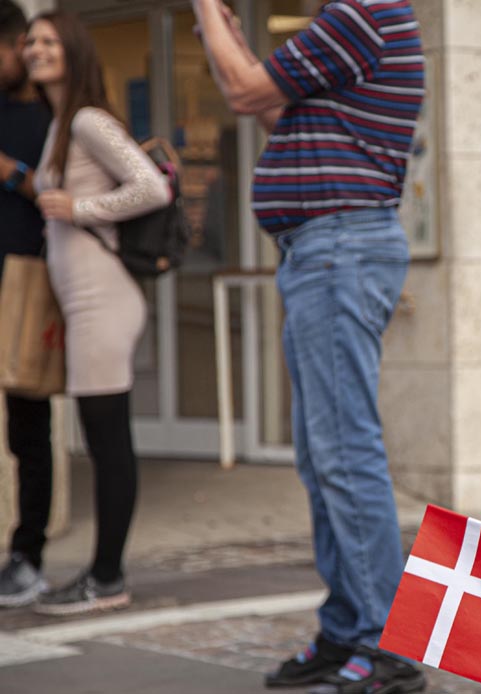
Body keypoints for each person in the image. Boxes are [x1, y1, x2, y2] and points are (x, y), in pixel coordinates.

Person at [190, 0, 425, 691]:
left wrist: (205, 9)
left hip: (339, 247)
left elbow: (242, 90)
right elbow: (268, 108)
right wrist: (227, 37)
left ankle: (387, 647)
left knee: (344, 451)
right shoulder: (351, 26)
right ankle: (349, 629)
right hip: (322, 250)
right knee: (324, 454)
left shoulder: (364, 12)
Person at [19, 11, 170, 615]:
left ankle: (107, 577)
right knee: (104, 433)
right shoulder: (61, 123)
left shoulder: (85, 119)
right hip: (83, 300)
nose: (35, 48)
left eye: (49, 40)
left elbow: (152, 186)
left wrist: (80, 206)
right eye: (31, 40)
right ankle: (104, 574)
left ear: (74, 50)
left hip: (103, 298)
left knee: (109, 437)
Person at [0, 0, 53, 609]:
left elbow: (65, 191)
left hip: (28, 283)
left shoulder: (52, 114)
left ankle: (28, 553)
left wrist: (11, 173)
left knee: (28, 430)